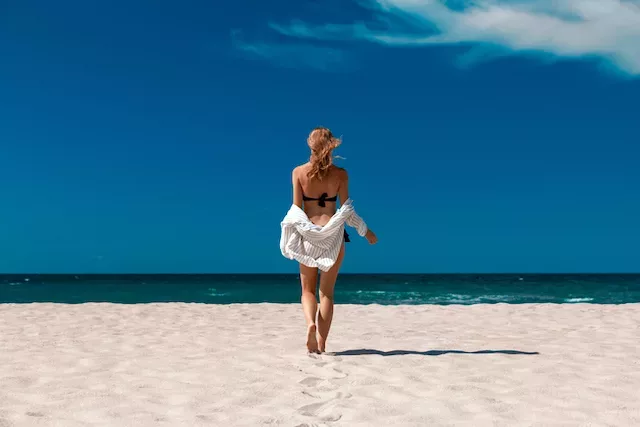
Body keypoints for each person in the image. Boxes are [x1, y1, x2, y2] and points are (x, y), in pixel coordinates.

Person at [280, 127, 377, 353]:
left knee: (307, 291)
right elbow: (346, 210)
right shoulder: (341, 174)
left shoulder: (298, 173)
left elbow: (296, 209)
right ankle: (322, 343)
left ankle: (310, 324)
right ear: (331, 145)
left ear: (310, 145)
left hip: (308, 235)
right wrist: (366, 231)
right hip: (333, 236)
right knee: (327, 293)